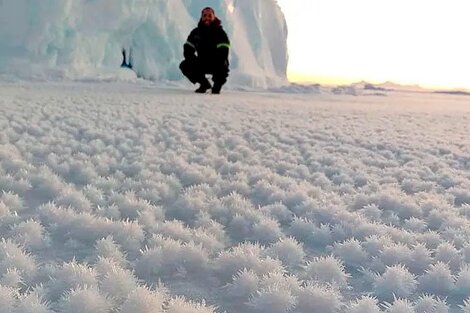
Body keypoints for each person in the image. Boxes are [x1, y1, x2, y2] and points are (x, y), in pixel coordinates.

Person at [179, 7, 230, 94]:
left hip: (216, 63)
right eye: (205, 15)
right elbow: (188, 48)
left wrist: (217, 60)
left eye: (210, 15)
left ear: (214, 17)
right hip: (201, 62)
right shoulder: (196, 33)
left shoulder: (220, 33)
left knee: (223, 64)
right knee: (184, 65)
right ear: (201, 17)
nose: (207, 18)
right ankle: (204, 84)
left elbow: (224, 52)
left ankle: (217, 86)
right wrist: (192, 59)